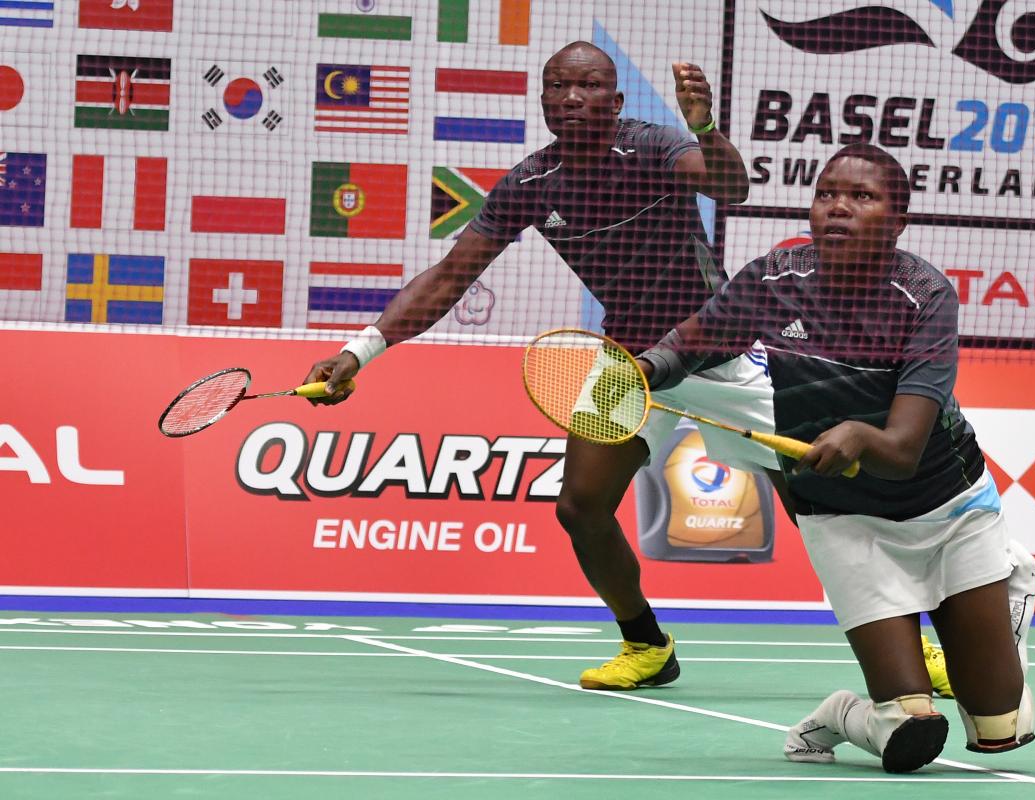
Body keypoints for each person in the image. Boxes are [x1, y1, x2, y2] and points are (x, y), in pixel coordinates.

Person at [304, 42, 953, 693]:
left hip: (720, 353)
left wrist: (703, 125)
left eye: (587, 86)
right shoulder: (532, 183)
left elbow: (731, 186)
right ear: (543, 101)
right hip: (631, 364)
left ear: (615, 102)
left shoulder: (653, 148)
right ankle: (646, 644)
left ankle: (913, 644)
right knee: (581, 506)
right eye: (557, 86)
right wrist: (362, 350)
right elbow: (450, 275)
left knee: (825, 508)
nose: (570, 98)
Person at [635, 143, 1035, 771]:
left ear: (898, 220)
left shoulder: (925, 296)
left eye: (861, 197)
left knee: (999, 729)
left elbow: (901, 451)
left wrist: (855, 434)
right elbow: (696, 338)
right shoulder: (776, 276)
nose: (838, 210)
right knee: (908, 726)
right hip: (844, 521)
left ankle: (1005, 584)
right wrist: (646, 369)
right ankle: (839, 715)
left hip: (949, 507)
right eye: (826, 194)